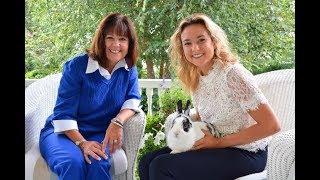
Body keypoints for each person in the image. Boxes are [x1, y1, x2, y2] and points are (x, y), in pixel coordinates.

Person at [138, 13, 281, 180]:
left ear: (213, 41)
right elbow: (204, 115)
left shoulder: (232, 73)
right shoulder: (196, 76)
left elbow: (271, 125)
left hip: (246, 152)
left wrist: (218, 142)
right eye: (187, 43)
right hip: (215, 145)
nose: (195, 48)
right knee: (147, 162)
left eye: (201, 40)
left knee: (161, 166)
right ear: (182, 49)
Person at [39, 12, 141, 180]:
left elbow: (132, 100)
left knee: (98, 163)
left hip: (100, 133)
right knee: (72, 163)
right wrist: (82, 143)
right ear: (101, 39)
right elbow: (63, 114)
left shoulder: (129, 68)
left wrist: (117, 122)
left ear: (130, 43)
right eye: (110, 38)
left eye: (123, 39)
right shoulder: (77, 66)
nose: (116, 44)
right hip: (63, 133)